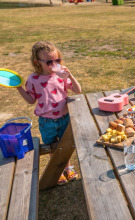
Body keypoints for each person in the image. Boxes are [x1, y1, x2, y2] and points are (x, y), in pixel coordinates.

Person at [17, 41, 82, 185]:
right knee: (53, 146)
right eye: (49, 62)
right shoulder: (33, 79)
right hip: (47, 122)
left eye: (57, 60)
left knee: (65, 144)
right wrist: (19, 88)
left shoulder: (60, 76)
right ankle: (58, 169)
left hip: (64, 117)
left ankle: (68, 167)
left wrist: (70, 76)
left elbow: (78, 90)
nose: (54, 64)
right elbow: (30, 100)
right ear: (37, 62)